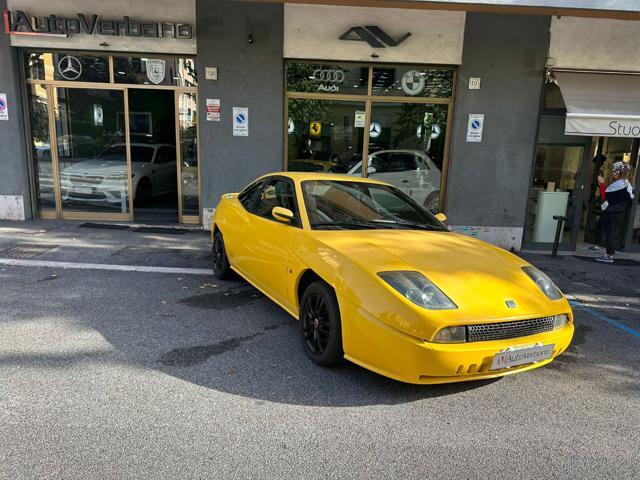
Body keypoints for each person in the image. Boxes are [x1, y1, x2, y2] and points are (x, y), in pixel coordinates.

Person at [594, 161, 635, 263]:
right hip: (619, 212)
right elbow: (629, 200)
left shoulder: (617, 185)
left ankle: (609, 255)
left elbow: (604, 197)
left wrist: (602, 184)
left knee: (609, 233)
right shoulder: (627, 184)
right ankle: (600, 248)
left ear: (619, 173)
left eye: (614, 172)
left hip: (611, 211)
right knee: (603, 228)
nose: (613, 173)